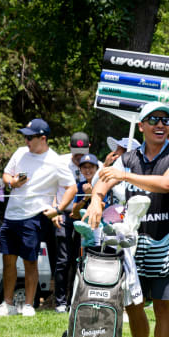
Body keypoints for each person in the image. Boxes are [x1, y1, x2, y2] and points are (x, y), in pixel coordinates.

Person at [86, 102, 169, 337]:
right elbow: (103, 181)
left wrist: (124, 176)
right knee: (133, 305)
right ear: (142, 125)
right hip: (131, 243)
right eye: (153, 119)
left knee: (162, 306)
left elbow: (166, 184)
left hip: (166, 240)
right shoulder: (127, 158)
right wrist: (96, 200)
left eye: (165, 120)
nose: (160, 124)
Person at [0, 118, 76, 317]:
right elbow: (6, 174)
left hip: (34, 216)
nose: (26, 141)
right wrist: (12, 182)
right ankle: (7, 304)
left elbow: (72, 188)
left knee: (29, 261)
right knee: (8, 260)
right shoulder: (20, 153)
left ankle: (29, 305)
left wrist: (58, 209)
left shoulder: (56, 161)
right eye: (25, 137)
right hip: (11, 215)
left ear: (43, 138)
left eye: (30, 138)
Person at [54, 132, 101, 312]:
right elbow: (52, 188)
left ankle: (76, 299)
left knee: (80, 261)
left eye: (90, 167)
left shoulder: (98, 170)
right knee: (63, 260)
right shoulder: (59, 162)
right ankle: (60, 302)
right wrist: (56, 209)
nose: (79, 155)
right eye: (76, 151)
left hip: (92, 222)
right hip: (66, 216)